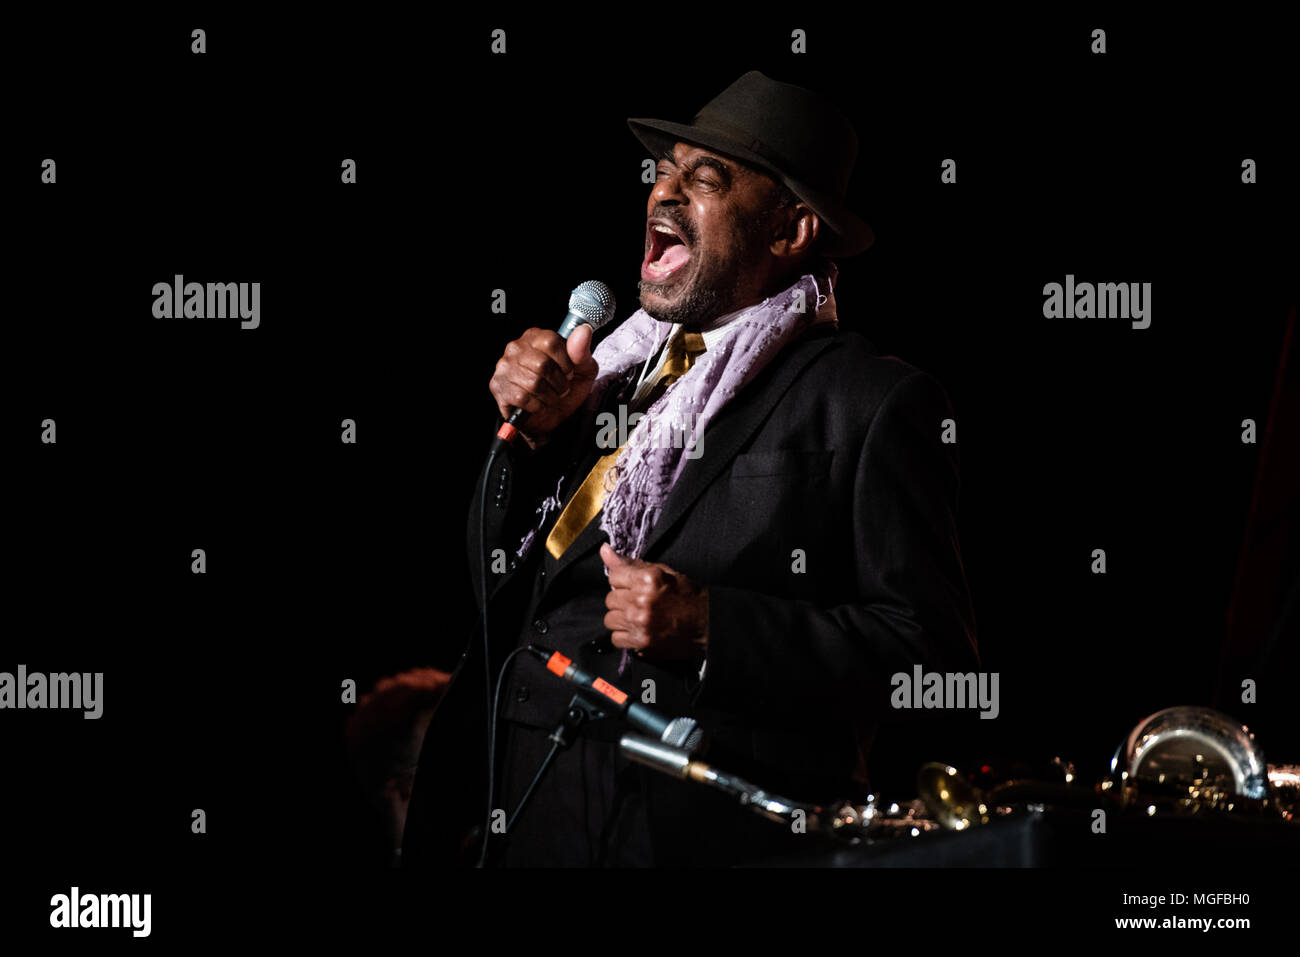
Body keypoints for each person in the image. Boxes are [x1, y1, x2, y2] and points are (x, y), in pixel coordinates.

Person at [404, 70, 979, 867]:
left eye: (704, 179)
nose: (663, 192)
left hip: (700, 841)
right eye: (664, 170)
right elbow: (502, 592)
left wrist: (717, 628)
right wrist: (533, 441)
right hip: (534, 817)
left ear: (792, 231)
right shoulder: (605, 376)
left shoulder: (869, 400)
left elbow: (933, 658)